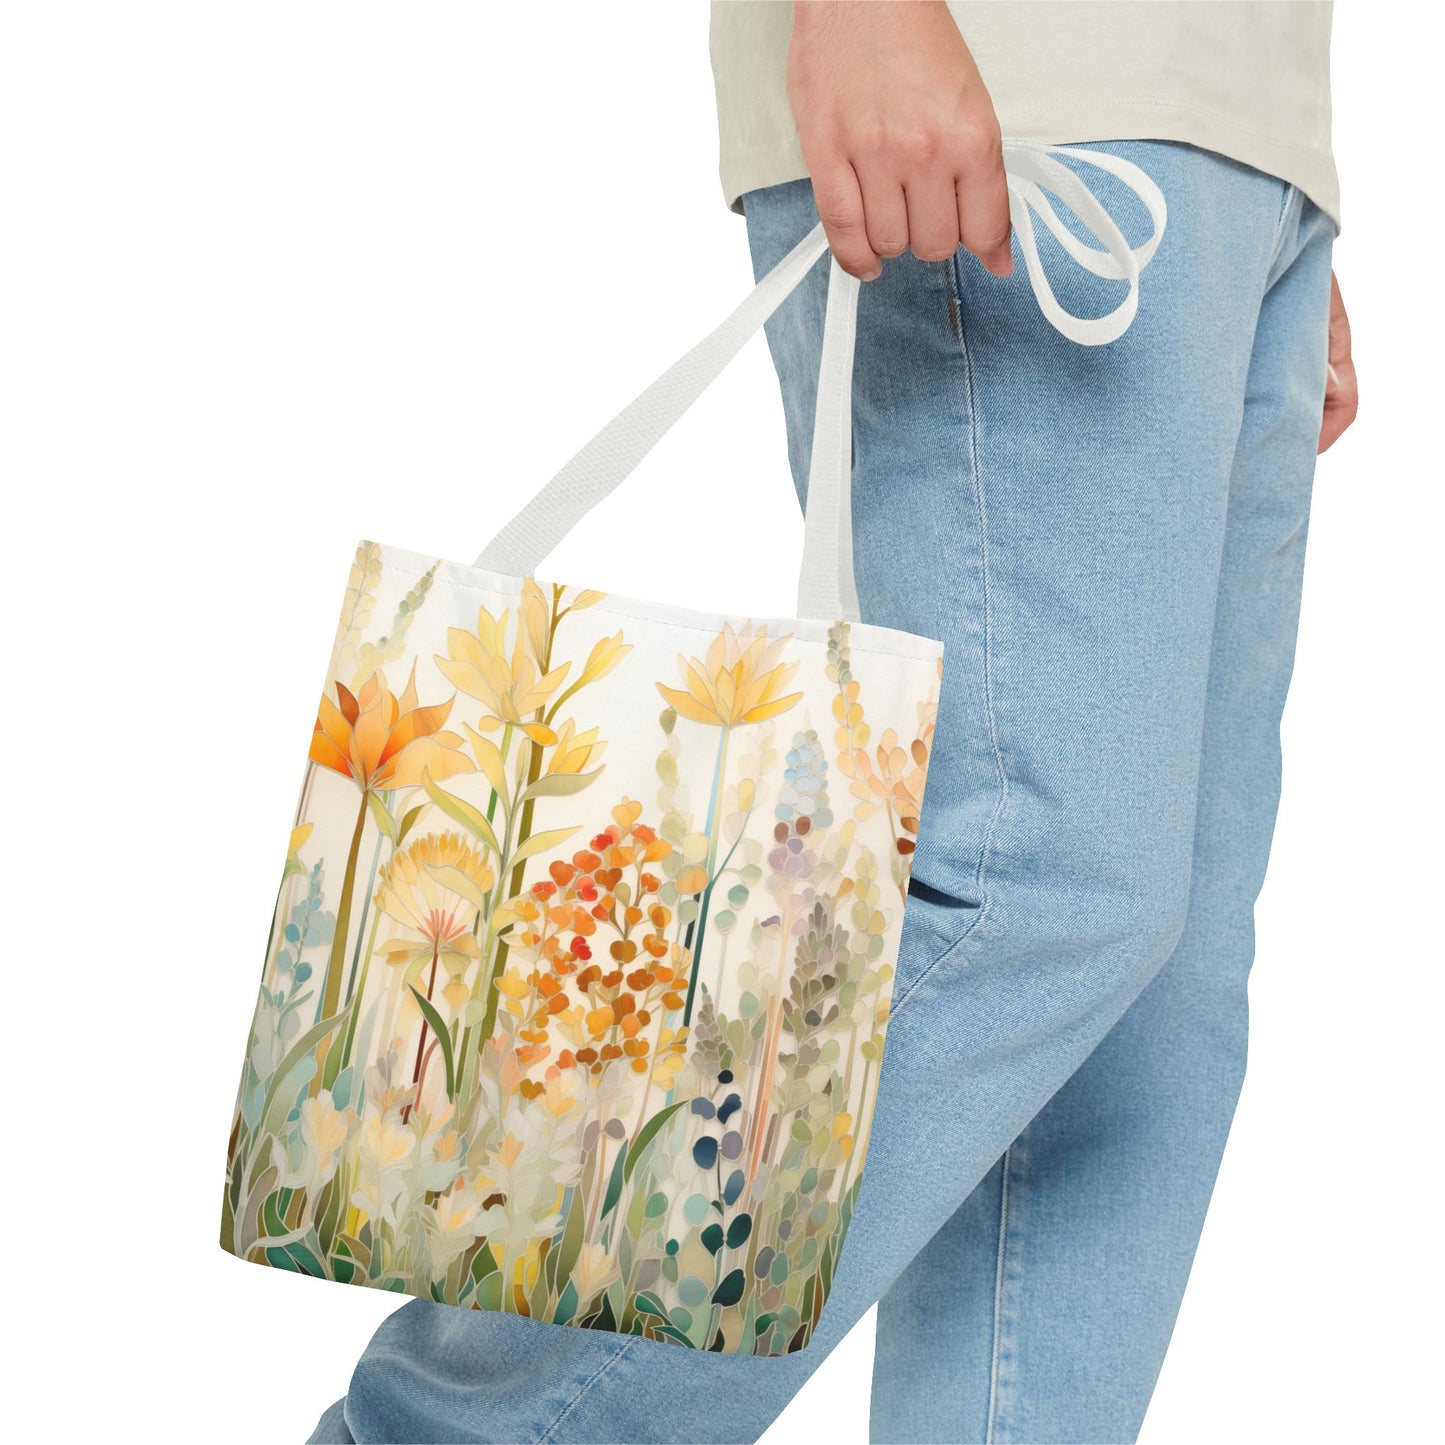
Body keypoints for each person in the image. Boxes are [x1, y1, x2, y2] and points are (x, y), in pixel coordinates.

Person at [310, 3, 1356, 1440]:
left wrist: (1267, 171)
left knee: (1144, 1014)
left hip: (1221, 134)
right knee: (1025, 888)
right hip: (1019, 82)